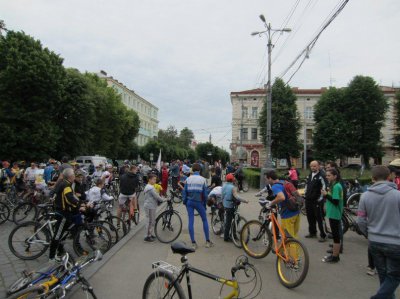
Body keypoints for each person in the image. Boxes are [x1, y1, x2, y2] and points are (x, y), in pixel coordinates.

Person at [357, 166, 400, 299]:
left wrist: (368, 234)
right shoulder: (397, 195)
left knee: (383, 276)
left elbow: (361, 220)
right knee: (394, 276)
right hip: (395, 242)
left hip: (374, 242)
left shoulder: (365, 196)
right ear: (389, 177)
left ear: (372, 178)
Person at [49, 168, 86, 260]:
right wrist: (79, 206)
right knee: (57, 235)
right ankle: (52, 257)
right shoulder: (66, 185)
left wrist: (81, 202)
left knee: (64, 233)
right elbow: (69, 199)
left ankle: (60, 250)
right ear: (70, 176)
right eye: (73, 174)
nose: (74, 175)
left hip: (65, 212)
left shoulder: (65, 183)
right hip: (62, 213)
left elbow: (72, 197)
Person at [183, 163, 214, 249]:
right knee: (204, 220)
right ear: (200, 170)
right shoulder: (203, 180)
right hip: (199, 202)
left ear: (192, 169)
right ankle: (207, 242)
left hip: (190, 202)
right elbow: (204, 194)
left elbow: (184, 192)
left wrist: (185, 202)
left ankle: (193, 243)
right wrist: (204, 205)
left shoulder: (188, 179)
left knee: (191, 221)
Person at [262, 170, 301, 239]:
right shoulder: (284, 182)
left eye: (266, 179)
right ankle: (287, 249)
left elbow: (281, 197)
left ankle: (291, 250)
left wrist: (271, 203)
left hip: (287, 215)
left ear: (270, 178)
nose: (266, 181)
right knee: (294, 237)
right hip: (296, 211)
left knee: (288, 238)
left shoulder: (275, 186)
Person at [321, 169, 343, 263]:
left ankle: (335, 257)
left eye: (329, 175)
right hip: (332, 213)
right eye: (326, 175)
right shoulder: (333, 185)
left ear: (335, 176)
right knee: (334, 235)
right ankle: (334, 255)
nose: (327, 177)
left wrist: (326, 195)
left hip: (335, 213)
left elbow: (335, 201)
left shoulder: (337, 186)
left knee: (336, 235)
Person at [304, 160, 327, 242]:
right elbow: (306, 186)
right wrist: (305, 195)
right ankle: (312, 232)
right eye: (311, 166)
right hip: (308, 200)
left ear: (318, 166)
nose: (313, 167)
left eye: (314, 166)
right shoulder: (310, 175)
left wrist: (320, 199)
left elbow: (324, 188)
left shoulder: (322, 176)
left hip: (317, 201)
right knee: (310, 217)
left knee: (319, 218)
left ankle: (323, 235)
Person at [222, 173, 248, 242]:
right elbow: (237, 196)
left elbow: (222, 196)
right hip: (231, 205)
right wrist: (245, 200)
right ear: (232, 180)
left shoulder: (224, 186)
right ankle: (227, 237)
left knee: (231, 219)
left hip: (225, 204)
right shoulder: (233, 187)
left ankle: (232, 235)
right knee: (232, 220)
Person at [143, 174, 164, 242]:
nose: (155, 180)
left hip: (149, 205)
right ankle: (147, 236)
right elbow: (156, 196)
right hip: (150, 205)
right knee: (150, 221)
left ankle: (149, 234)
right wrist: (164, 199)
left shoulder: (149, 186)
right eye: (154, 179)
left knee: (150, 220)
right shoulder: (150, 188)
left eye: (155, 179)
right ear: (149, 180)